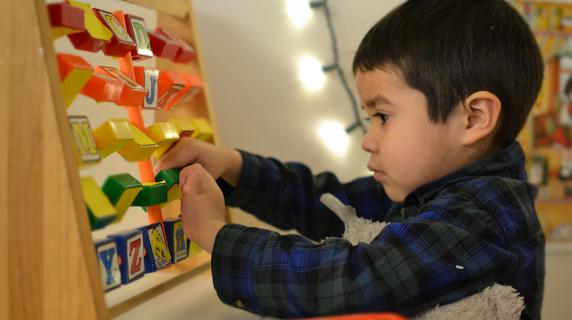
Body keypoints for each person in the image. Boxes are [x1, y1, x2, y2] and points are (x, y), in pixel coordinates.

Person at [155, 0, 545, 318]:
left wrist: (213, 233)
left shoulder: (480, 215)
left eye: (383, 117)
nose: (368, 140)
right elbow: (328, 203)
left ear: (473, 118)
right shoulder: (429, 189)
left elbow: (350, 279)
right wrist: (232, 166)